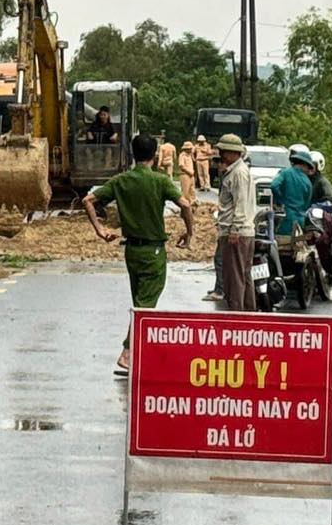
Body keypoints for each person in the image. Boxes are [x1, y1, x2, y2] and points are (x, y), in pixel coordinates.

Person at [84, 133, 194, 374]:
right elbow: (185, 204)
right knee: (146, 306)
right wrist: (189, 231)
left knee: (139, 302)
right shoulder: (159, 181)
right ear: (155, 156)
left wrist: (100, 230)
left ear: (133, 155)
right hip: (153, 250)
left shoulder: (121, 180)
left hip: (131, 250)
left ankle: (139, 352)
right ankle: (127, 352)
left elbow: (88, 200)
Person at [213, 133, 256, 310]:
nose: (221, 154)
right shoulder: (235, 171)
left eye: (223, 151)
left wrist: (234, 230)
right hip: (239, 231)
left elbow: (241, 203)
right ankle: (248, 313)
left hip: (237, 233)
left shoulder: (238, 173)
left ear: (233, 153)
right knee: (243, 275)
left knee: (234, 279)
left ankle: (237, 316)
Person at [203, 150, 232, 302]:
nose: (217, 166)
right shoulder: (224, 178)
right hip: (225, 225)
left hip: (230, 227)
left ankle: (220, 290)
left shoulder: (231, 178)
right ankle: (220, 287)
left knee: (220, 259)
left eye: (219, 163)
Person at [269, 148, 316, 236]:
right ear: (304, 165)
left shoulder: (285, 173)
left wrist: (280, 200)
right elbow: (306, 204)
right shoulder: (308, 182)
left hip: (285, 219)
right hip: (300, 221)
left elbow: (274, 185)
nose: (308, 171)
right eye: (308, 168)